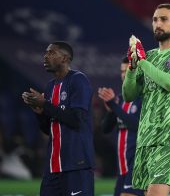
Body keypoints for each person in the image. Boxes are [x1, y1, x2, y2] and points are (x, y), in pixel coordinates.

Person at [122, 3, 170, 196]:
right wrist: (132, 68)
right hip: (146, 137)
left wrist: (142, 63)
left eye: (163, 19)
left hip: (169, 137)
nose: (158, 23)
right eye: (155, 19)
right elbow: (128, 95)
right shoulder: (149, 56)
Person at [21, 41, 95, 195]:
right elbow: (51, 130)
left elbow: (76, 120)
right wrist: (40, 113)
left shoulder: (78, 80)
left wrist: (46, 105)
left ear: (65, 58)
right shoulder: (50, 87)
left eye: (52, 53)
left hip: (76, 164)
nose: (46, 56)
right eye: (46, 53)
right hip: (53, 168)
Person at [98, 57, 144, 196]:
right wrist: (111, 110)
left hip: (138, 164)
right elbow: (105, 129)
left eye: (128, 71)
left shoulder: (145, 97)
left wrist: (114, 106)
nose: (124, 74)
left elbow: (138, 126)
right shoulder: (120, 99)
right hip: (123, 167)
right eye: (122, 71)